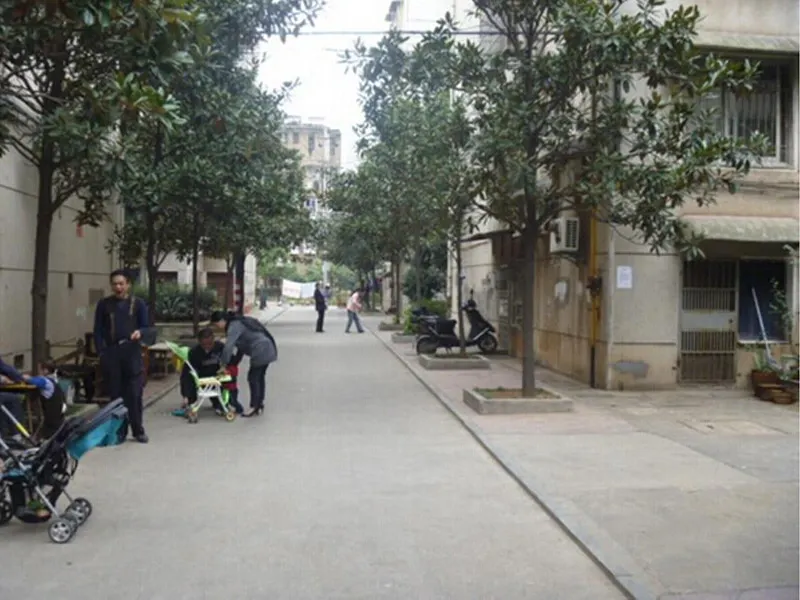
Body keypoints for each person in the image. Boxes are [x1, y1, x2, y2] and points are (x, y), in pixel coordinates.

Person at [93, 269, 149, 444]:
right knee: (116, 395)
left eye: (121, 284)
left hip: (132, 353)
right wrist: (102, 352)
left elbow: (147, 327)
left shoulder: (138, 304)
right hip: (112, 353)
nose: (118, 287)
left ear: (128, 285)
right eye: (115, 284)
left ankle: (138, 430)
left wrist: (140, 333)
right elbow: (98, 330)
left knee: (134, 394)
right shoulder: (104, 305)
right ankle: (119, 431)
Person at [209, 311, 277, 418]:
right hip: (268, 347)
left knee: (253, 378)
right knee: (259, 377)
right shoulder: (239, 322)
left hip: (260, 350)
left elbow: (228, 347)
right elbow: (241, 348)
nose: (217, 327)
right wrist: (235, 363)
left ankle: (254, 406)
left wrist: (223, 365)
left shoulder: (233, 326)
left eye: (216, 324)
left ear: (222, 320)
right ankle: (259, 404)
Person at [178, 328, 244, 416]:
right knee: (190, 377)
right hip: (203, 380)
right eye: (204, 344)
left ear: (213, 340)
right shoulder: (194, 352)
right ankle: (190, 401)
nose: (207, 347)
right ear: (199, 342)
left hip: (218, 379)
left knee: (230, 381)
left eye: (210, 344)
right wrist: (186, 395)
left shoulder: (220, 347)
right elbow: (186, 373)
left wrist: (240, 352)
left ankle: (227, 402)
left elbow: (232, 361)